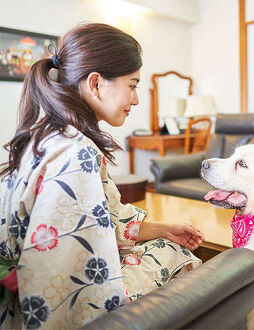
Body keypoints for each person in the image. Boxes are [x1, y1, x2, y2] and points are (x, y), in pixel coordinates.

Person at [0, 23, 204, 329]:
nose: (135, 100)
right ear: (95, 84)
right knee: (178, 255)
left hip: (29, 287)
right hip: (43, 306)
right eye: (133, 86)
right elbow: (69, 286)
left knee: (168, 243)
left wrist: (164, 228)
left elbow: (104, 219)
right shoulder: (76, 152)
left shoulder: (48, 135)